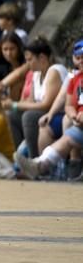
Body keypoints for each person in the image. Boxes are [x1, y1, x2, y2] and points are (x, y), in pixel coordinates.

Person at [20, 40, 83, 180]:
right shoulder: (74, 78)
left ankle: (74, 163)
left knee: (66, 124)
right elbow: (68, 104)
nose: (81, 61)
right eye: (78, 58)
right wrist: (74, 115)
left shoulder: (58, 71)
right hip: (79, 124)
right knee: (65, 139)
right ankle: (39, 165)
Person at [6, 37, 67, 158]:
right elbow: (31, 101)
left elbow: (46, 104)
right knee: (11, 115)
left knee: (29, 116)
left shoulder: (54, 71)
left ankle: (34, 159)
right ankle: (20, 157)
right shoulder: (36, 74)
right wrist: (13, 106)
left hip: (57, 115)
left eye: (29, 60)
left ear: (42, 58)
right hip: (42, 114)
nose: (27, 64)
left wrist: (14, 104)